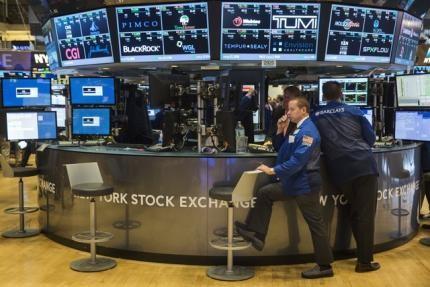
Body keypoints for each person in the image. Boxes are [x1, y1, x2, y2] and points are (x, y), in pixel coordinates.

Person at [235, 97, 334, 279]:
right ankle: (257, 234)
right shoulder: (297, 129)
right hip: (294, 182)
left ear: (304, 110)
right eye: (288, 110)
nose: (287, 113)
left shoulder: (308, 131)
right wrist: (280, 131)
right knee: (265, 193)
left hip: (304, 184)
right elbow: (283, 150)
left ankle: (324, 266)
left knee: (316, 225)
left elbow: (297, 161)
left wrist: (272, 170)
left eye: (291, 109)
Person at [311, 81, 380, 273]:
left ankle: (356, 256)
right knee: (364, 216)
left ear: (324, 96)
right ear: (341, 94)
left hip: (340, 171)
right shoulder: (355, 111)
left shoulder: (315, 115)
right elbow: (371, 138)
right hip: (364, 166)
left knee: (354, 213)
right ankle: (364, 263)